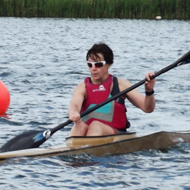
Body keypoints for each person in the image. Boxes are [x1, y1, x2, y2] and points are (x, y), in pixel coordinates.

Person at [68, 43, 155, 136]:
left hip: (116, 135)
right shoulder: (82, 87)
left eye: (98, 64)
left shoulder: (121, 85)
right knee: (78, 125)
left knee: (95, 125)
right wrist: (73, 113)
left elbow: (147, 108)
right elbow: (75, 104)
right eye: (90, 64)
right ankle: (73, 149)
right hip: (89, 136)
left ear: (108, 64)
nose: (93, 69)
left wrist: (149, 91)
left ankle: (85, 148)